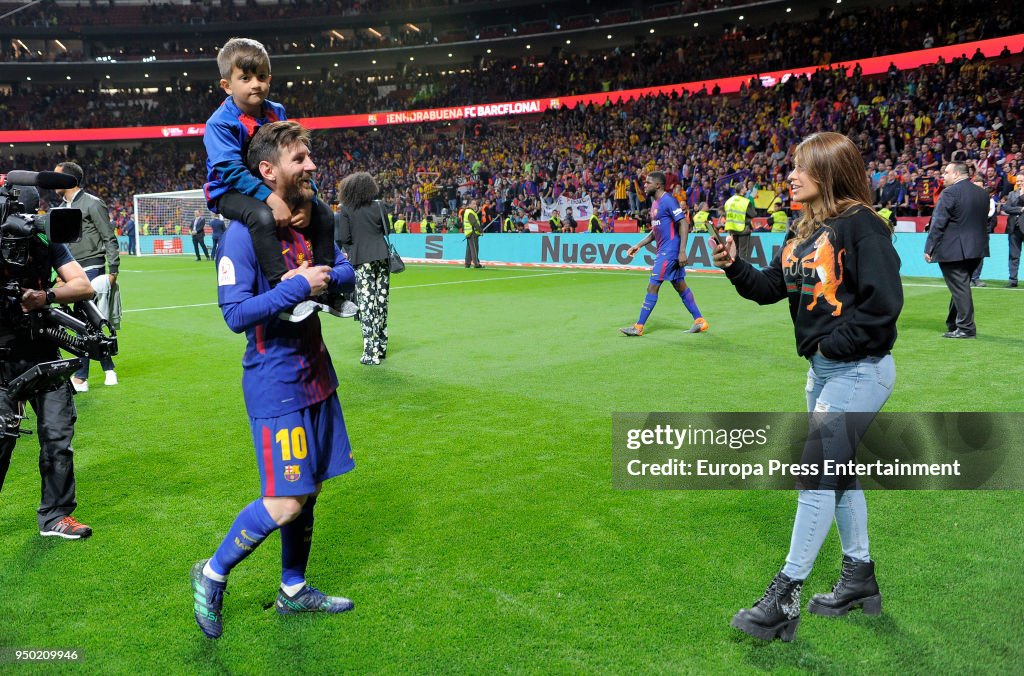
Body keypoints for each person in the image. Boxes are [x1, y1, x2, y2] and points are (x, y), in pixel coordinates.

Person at [711, 132, 903, 643]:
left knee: (816, 476)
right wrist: (733, 265)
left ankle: (784, 597)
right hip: (824, 372)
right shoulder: (802, 227)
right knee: (837, 477)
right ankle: (859, 577)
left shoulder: (863, 226)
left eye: (800, 166)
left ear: (828, 170)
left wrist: (833, 347)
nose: (790, 175)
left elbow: (883, 307)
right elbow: (774, 289)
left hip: (859, 371)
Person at [192, 121, 357, 640]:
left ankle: (292, 589)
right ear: (267, 171)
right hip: (275, 384)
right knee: (285, 499)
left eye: (310, 157)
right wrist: (297, 287)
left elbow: (348, 268)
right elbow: (235, 314)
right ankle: (212, 573)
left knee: (309, 491)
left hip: (318, 378)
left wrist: (323, 275)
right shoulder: (242, 234)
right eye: (300, 159)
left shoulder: (312, 221)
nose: (311, 166)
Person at [202, 37, 339, 318]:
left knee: (323, 213)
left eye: (261, 76)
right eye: (246, 77)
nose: (256, 83)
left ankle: (326, 287)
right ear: (227, 85)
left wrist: (307, 196)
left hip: (270, 185)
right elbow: (229, 170)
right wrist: (271, 199)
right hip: (228, 192)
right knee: (262, 218)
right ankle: (283, 288)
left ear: (270, 79)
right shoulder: (219, 123)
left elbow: (292, 158)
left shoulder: (276, 111)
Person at [0, 182, 98, 539]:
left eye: (32, 214)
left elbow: (84, 285)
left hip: (44, 354)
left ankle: (57, 516)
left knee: (58, 438)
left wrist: (45, 296)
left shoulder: (46, 241)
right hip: (2, 358)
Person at [53, 161, 119, 392]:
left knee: (83, 320)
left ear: (68, 180)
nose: (52, 182)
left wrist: (113, 271)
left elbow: (109, 237)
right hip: (70, 271)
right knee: (85, 322)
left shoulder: (92, 203)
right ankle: (108, 368)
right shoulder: (60, 207)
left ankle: (81, 377)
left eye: (56, 177)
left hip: (92, 267)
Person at [619, 171, 708, 336]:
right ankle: (699, 320)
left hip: (670, 252)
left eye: (648, 183)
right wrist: (638, 245)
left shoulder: (668, 201)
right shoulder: (655, 204)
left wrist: (682, 251)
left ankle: (638, 327)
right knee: (679, 285)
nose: (644, 185)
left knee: (652, 285)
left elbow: (683, 223)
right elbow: (655, 232)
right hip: (665, 250)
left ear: (658, 185)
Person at [924, 161, 990, 338]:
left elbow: (938, 223)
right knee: (960, 287)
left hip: (953, 249)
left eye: (946, 172)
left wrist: (929, 247)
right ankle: (953, 323)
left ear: (957, 174)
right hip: (977, 249)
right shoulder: (982, 194)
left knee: (959, 288)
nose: (943, 176)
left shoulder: (950, 192)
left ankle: (966, 328)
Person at [337, 172, 391, 366]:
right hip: (382, 258)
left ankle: (371, 352)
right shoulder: (379, 205)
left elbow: (345, 238)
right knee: (381, 302)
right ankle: (382, 346)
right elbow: (387, 230)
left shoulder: (345, 209)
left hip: (362, 259)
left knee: (367, 305)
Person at [1000, 172, 1024, 288]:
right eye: (1018, 181)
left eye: (1022, 181)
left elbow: (1010, 208)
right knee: (1014, 255)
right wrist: (1020, 209)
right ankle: (1013, 280)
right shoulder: (1011, 194)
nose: (1019, 183)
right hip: (1014, 228)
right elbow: (1006, 208)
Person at [723, 187, 756, 262]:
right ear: (741, 190)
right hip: (743, 229)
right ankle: (742, 271)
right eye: (744, 188)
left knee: (735, 251)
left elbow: (726, 214)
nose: (746, 189)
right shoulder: (745, 201)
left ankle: (735, 269)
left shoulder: (728, 201)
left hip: (732, 229)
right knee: (743, 253)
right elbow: (753, 214)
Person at [463, 199, 483, 268]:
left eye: (475, 204)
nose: (475, 205)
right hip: (472, 233)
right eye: (474, 204)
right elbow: (474, 223)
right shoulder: (471, 212)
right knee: (475, 248)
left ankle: (467, 263)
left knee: (469, 249)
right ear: (469, 205)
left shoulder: (468, 211)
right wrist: (480, 230)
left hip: (469, 233)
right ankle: (476, 263)